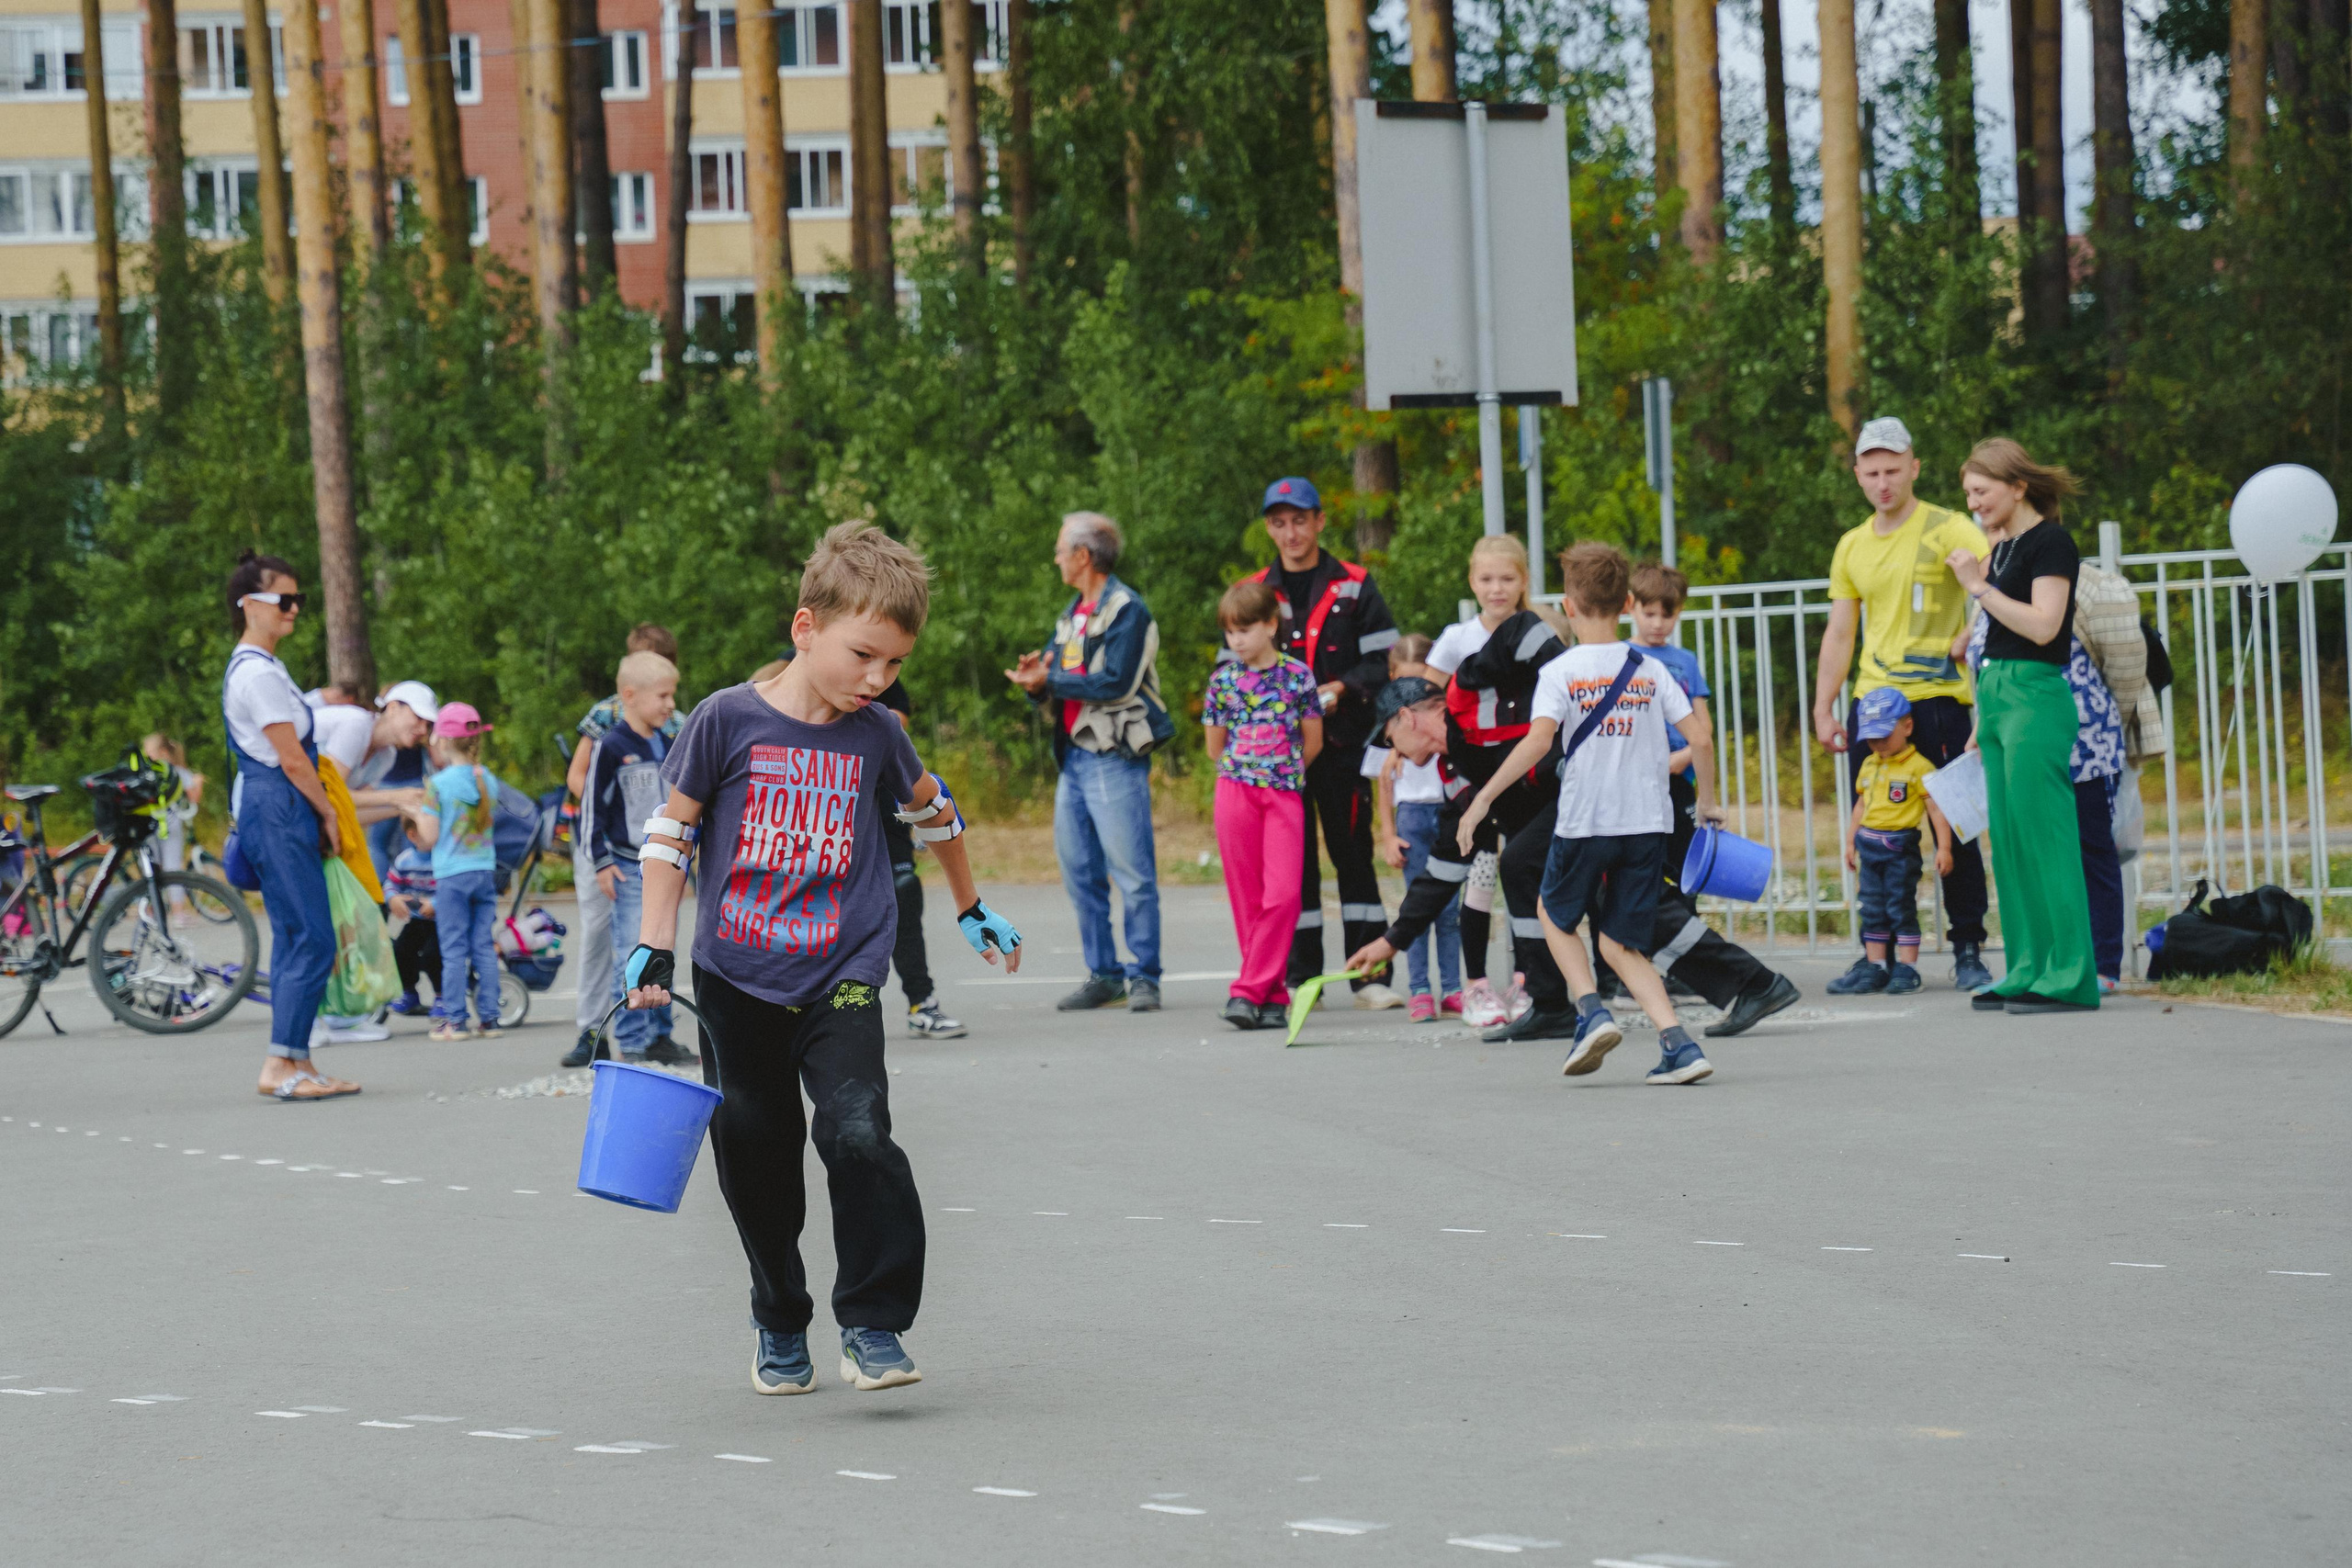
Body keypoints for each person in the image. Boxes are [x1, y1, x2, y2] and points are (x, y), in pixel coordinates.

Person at [619, 521, 1026, 1396]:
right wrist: (654, 940)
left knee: (857, 1131)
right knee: (756, 1150)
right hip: (734, 976)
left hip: (843, 969)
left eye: (895, 665)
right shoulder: (725, 718)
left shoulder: (875, 733)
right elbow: (671, 830)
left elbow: (934, 811)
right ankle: (779, 1316)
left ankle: (874, 1322)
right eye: (865, 655)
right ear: (806, 628)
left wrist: (970, 905)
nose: (878, 680)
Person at [1457, 543, 1725, 1086]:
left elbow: (1537, 743)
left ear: (1569, 606)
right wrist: (1706, 803)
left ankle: (1591, 1012)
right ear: (1628, 602)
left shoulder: (1561, 671)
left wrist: (1484, 797)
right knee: (1619, 942)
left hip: (1586, 822)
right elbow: (1700, 735)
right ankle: (1677, 1043)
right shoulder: (1649, 668)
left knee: (1555, 917)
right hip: (1647, 824)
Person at [1811, 417, 1996, 992]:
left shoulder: (1949, 527)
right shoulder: (1852, 545)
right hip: (1873, 704)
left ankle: (1968, 947)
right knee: (1876, 834)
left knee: (1957, 827)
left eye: (1894, 469)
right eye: (1873, 472)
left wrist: (1972, 627)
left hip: (1938, 699)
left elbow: (1999, 575)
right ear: (1858, 475)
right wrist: (1823, 706)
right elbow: (1841, 633)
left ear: (1914, 467)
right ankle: (1880, 958)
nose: (1884, 482)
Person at [1948, 438, 2099, 1014]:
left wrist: (1978, 587)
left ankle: (2070, 977)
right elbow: (1993, 638)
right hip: (1998, 695)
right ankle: (2029, 968)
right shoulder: (2005, 547)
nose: (1973, 503)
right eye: (1967, 494)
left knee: (2047, 840)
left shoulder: (2052, 542)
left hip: (2036, 695)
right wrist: (1983, 713)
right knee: (2009, 844)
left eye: (1980, 492)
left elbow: (2043, 626)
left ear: (2018, 486)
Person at [1622, 564, 1804, 1036]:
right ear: (1630, 608)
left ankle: (1688, 971)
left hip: (1675, 780)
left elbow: (1701, 729)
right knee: (1642, 878)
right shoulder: (1621, 657)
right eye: (1649, 612)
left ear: (1678, 614)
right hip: (1636, 781)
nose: (1658, 622)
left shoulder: (1683, 662)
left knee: (1683, 875)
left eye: (1667, 613)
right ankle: (1638, 966)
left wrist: (1702, 785)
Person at [1004, 512, 1172, 1013]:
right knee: (1080, 870)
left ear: (1083, 556)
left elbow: (1116, 683)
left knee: (1132, 873)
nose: (1055, 558)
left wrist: (1050, 682)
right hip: (1074, 758)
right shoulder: (1072, 613)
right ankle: (1104, 974)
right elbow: (1060, 679)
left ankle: (1145, 976)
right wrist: (1038, 680)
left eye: (1060, 550)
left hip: (1114, 757)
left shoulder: (1128, 610)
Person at [1249, 478, 1403, 1009]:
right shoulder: (1255, 592)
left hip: (1341, 746)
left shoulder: (1356, 584)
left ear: (1319, 521)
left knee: (1353, 856)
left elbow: (1384, 660)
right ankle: (1298, 979)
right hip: (1277, 756)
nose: (1290, 533)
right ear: (1269, 528)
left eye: (1299, 520)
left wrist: (1338, 688)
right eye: (1279, 522)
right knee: (1290, 867)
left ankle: (1371, 977)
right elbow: (1233, 668)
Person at [756, 652, 967, 1040]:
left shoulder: (874, 694)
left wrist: (969, 903)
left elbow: (903, 732)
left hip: (882, 814)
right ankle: (790, 1006)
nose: (876, 678)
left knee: (904, 896)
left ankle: (922, 1002)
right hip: (818, 844)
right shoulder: (774, 685)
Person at [220, 551, 358, 1100]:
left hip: (275, 803)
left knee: (299, 935)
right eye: (284, 600)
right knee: (311, 936)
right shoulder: (255, 672)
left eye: (298, 600)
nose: (294, 609)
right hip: (278, 802)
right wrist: (327, 810)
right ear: (249, 604)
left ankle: (297, 1060)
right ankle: (280, 1062)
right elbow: (292, 759)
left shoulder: (265, 667)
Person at [1421, 535, 1559, 1027]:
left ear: (1524, 581)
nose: (1496, 588)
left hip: (1527, 782)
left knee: (1524, 880)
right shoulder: (1457, 639)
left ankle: (1526, 981)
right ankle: (1477, 985)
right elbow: (1423, 702)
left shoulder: (1542, 632)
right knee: (1478, 882)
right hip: (1475, 786)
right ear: (1471, 582)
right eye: (1486, 579)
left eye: (1507, 579)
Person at [562, 626, 687, 1067]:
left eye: (673, 696)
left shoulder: (666, 736)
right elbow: (592, 806)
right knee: (630, 950)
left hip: (661, 858)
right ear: (631, 696)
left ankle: (661, 1033)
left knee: (662, 947)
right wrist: (599, 861)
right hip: (624, 862)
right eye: (664, 697)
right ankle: (631, 1039)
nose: (672, 705)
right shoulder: (609, 743)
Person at [1204, 580, 1323, 1029]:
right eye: (1230, 632)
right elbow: (1216, 748)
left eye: (1245, 630)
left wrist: (1281, 770)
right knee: (1247, 898)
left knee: (1284, 894)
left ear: (1271, 625)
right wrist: (1248, 769)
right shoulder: (1222, 681)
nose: (1236, 640)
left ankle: (1247, 990)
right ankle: (1272, 997)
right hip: (1235, 791)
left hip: (1284, 792)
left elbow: (1313, 742)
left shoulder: (1298, 677)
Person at [1829, 688, 1956, 994]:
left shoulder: (1919, 767)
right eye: (1871, 738)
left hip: (1900, 848)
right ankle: (1876, 967)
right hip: (1868, 846)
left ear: (1907, 727)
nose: (1878, 743)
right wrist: (1849, 843)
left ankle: (1907, 968)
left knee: (1900, 906)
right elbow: (1860, 806)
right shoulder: (1869, 765)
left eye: (1884, 735)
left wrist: (1945, 848)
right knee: (1871, 908)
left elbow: (1936, 810)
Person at [1369, 636, 1462, 1021]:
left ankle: (1454, 987)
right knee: (1417, 907)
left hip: (1446, 810)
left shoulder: (1445, 734)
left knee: (1450, 909)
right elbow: (1383, 784)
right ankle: (1420, 989)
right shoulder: (1391, 736)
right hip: (1411, 817)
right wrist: (1388, 834)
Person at [404, 703, 505, 1040]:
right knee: (483, 947)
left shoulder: (438, 784)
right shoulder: (487, 779)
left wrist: (417, 813)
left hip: (452, 876)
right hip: (483, 871)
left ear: (443, 740)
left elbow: (430, 837)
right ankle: (490, 1020)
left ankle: (456, 1021)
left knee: (453, 950)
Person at [361, 682, 440, 886]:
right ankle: (397, 889)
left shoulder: (386, 755)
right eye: (418, 718)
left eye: (428, 724)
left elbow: (347, 809)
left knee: (383, 843)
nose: (423, 729)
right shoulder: (358, 726)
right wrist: (395, 799)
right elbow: (337, 798)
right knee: (401, 843)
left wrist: (398, 806)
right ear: (392, 708)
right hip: (397, 786)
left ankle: (394, 891)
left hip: (399, 788)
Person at [140, 734, 204, 926]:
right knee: (173, 868)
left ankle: (151, 913)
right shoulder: (177, 771)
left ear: (162, 753)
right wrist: (198, 781)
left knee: (150, 868)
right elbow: (194, 798)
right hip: (171, 825)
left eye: (149, 751)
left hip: (148, 825)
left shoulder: (144, 772)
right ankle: (178, 914)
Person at [384, 841, 441, 1013]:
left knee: (433, 955)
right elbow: (391, 884)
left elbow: (452, 887)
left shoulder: (444, 857)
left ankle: (442, 996)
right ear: (413, 835)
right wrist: (392, 898)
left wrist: (436, 904)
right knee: (400, 950)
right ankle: (409, 992)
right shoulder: (405, 860)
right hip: (417, 920)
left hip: (443, 921)